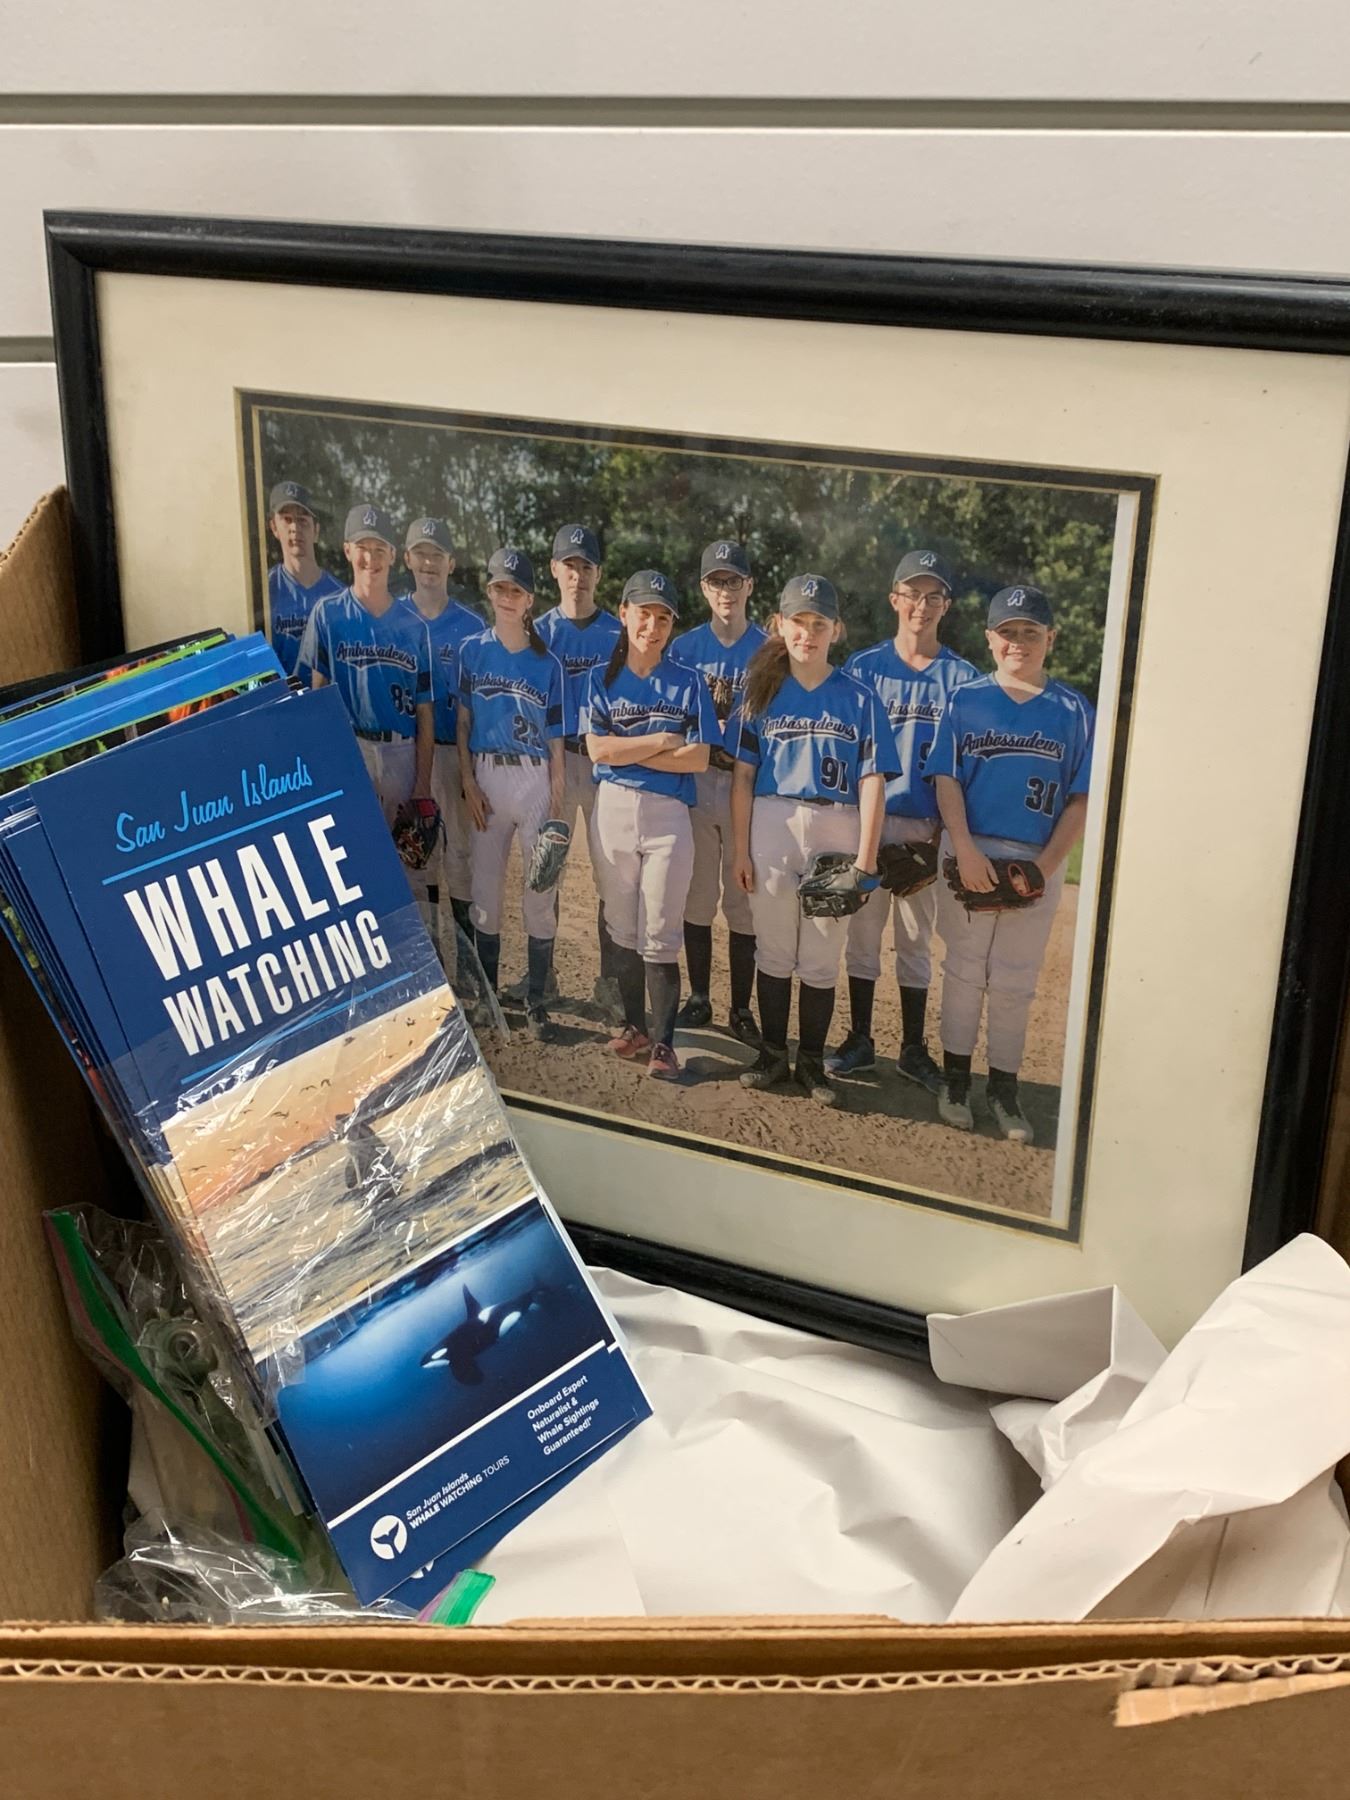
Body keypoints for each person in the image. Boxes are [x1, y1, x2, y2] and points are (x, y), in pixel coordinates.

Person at [928, 584, 1094, 1144]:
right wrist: (965, 848)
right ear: (989, 639)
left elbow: (1081, 799)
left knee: (1016, 979)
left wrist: (1045, 867)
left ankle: (1004, 1087)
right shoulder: (965, 698)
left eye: (1030, 632)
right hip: (970, 849)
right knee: (964, 968)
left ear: (1051, 638)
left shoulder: (1075, 710)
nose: (1017, 642)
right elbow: (946, 779)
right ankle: (955, 1081)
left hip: (1036, 858)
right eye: (1007, 632)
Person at [729, 575, 894, 1107]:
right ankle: (773, 1054)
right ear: (780, 625)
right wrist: (740, 850)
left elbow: (872, 781)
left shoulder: (860, 697)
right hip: (772, 819)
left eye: (818, 623)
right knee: (775, 948)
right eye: (798, 622)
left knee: (822, 954)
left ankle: (812, 1063)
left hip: (837, 826)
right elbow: (742, 777)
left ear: (836, 630)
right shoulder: (761, 690)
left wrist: (866, 860)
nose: (807, 633)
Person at [827, 549, 980, 1090]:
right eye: (912, 594)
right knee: (862, 936)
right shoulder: (863, 668)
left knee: (916, 942)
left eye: (933, 596)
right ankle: (860, 1039)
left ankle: (913, 1048)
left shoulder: (963, 679)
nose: (922, 605)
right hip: (868, 825)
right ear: (894, 599)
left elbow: (966, 768)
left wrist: (938, 840)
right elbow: (844, 748)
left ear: (946, 606)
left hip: (926, 831)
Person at [582, 570, 718, 1081]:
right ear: (624, 614)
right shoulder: (600, 678)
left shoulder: (689, 681)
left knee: (659, 929)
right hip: (614, 809)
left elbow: (698, 758)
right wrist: (661, 741)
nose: (653, 626)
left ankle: (664, 1044)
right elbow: (597, 750)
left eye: (663, 618)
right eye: (644, 614)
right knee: (622, 924)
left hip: (668, 816)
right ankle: (634, 1027)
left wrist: (627, 750)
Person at [456, 548, 567, 1042]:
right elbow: (462, 724)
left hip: (535, 777)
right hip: (487, 775)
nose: (507, 596)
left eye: (515, 590)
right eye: (500, 587)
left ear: (529, 600)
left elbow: (557, 742)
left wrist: (556, 806)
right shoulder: (472, 651)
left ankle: (537, 1000)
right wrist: (466, 781)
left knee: (540, 894)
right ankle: (488, 995)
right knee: (485, 894)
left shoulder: (548, 663)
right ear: (489, 592)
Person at [669, 540, 767, 1046]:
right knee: (698, 893)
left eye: (734, 580)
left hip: (748, 785)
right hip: (699, 779)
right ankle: (700, 997)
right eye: (716, 581)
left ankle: (742, 1008)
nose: (725, 590)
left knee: (744, 898)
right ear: (703, 588)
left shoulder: (771, 650)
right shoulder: (684, 649)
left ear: (749, 586)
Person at [533, 524, 623, 1016]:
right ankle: (542, 973)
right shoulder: (539, 631)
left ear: (598, 573)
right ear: (554, 570)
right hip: (556, 759)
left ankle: (610, 980)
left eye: (586, 565)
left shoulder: (617, 633)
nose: (578, 574)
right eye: (569, 564)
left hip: (605, 763)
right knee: (548, 866)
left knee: (611, 872)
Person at [297, 502, 434, 822]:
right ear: (347, 550)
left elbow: (425, 714)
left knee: (407, 852)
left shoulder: (415, 627)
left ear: (392, 555)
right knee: (355, 843)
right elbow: (318, 697)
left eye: (379, 549)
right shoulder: (328, 613)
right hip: (350, 747)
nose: (370, 558)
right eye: (362, 548)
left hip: (401, 753)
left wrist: (423, 786)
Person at [397, 516, 483, 950]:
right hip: (410, 754)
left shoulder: (472, 626)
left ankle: (467, 964)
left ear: (451, 563)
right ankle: (433, 961)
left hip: (455, 752)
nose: (429, 562)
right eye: (421, 553)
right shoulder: (393, 619)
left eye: (437, 554)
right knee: (419, 855)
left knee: (461, 857)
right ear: (407, 559)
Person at [264, 480, 343, 683]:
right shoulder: (265, 592)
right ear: (274, 527)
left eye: (302, 520)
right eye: (287, 519)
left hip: (328, 699)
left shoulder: (339, 596)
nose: (295, 528)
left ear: (316, 530)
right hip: (283, 699)